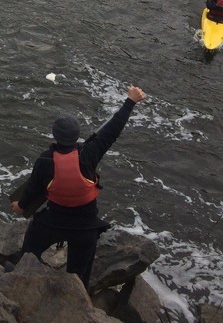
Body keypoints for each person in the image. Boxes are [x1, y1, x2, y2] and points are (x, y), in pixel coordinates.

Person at [9, 85, 147, 291]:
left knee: (31, 244)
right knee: (80, 273)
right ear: (76, 137)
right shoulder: (90, 153)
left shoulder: (45, 161)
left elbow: (32, 190)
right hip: (86, 227)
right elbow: (113, 129)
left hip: (53, 222)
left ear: (54, 135)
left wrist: (20, 206)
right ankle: (78, 292)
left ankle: (21, 273)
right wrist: (130, 101)